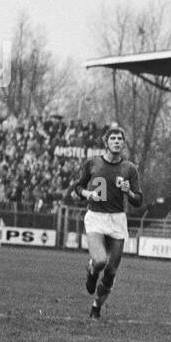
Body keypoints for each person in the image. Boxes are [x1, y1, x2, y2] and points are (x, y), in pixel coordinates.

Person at [73, 126, 143, 318]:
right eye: (113, 138)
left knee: (111, 271)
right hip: (96, 217)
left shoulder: (129, 168)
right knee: (101, 261)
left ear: (123, 143)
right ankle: (92, 270)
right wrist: (88, 193)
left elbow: (138, 200)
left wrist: (129, 192)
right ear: (106, 142)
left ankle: (96, 307)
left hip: (117, 220)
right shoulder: (93, 164)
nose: (117, 141)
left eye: (120, 138)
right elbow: (77, 187)